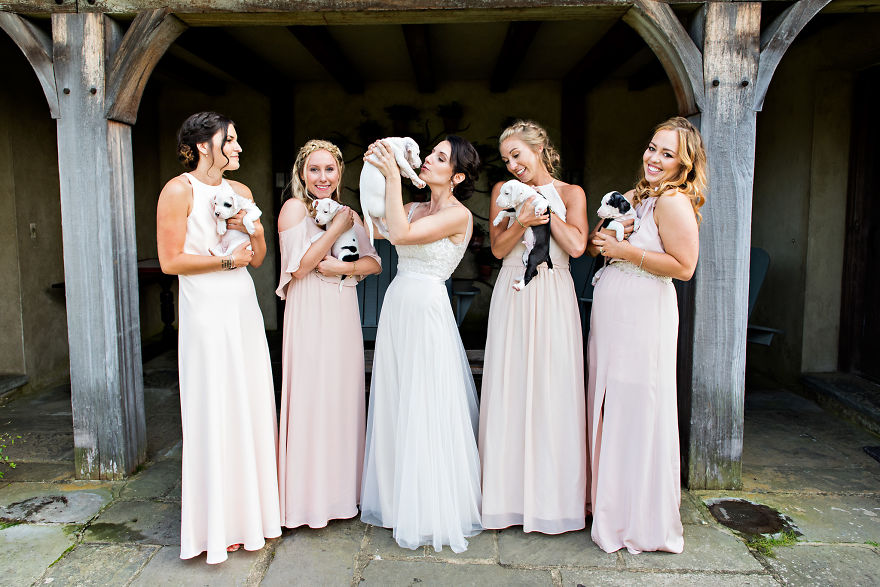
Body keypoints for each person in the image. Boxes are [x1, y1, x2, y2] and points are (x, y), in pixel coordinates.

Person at [156, 111, 281, 564]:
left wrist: (255, 232)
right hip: (205, 309)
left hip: (241, 306)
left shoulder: (241, 191)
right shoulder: (179, 190)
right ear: (203, 145)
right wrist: (226, 262)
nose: (238, 148)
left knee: (248, 401)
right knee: (214, 405)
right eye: (230, 140)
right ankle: (218, 525)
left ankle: (253, 517)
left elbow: (257, 258)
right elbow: (171, 261)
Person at [587, 116, 706, 554]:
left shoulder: (673, 201)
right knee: (613, 406)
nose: (654, 158)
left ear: (683, 164)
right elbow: (609, 243)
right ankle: (612, 506)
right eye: (653, 147)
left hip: (643, 316)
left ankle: (637, 519)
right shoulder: (639, 195)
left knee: (637, 408)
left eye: (667, 153)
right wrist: (605, 242)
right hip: (614, 316)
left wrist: (625, 251)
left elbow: (684, 266)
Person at [359, 136, 482, 553]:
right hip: (398, 304)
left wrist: (395, 177)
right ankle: (398, 500)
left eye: (440, 158)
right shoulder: (413, 206)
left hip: (427, 308)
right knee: (397, 396)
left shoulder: (458, 215)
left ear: (457, 176)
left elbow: (402, 235)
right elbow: (378, 227)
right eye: (431, 153)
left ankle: (430, 507)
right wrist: (375, 171)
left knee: (425, 398)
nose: (428, 159)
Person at [479, 120, 589, 534]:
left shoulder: (571, 194)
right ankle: (505, 499)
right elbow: (497, 248)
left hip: (554, 290)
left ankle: (553, 501)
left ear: (538, 149)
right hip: (513, 291)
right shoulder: (502, 191)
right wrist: (522, 220)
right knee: (510, 384)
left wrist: (544, 208)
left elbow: (576, 246)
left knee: (552, 387)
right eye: (506, 159)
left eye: (517, 155)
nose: (512, 165)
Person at [276, 139, 381, 529]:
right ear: (302, 174)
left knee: (341, 397)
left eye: (330, 169)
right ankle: (306, 503)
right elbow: (300, 267)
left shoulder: (350, 213)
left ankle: (341, 496)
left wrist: (345, 269)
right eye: (314, 169)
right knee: (311, 396)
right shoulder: (294, 209)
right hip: (308, 311)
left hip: (341, 312)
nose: (323, 177)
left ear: (339, 173)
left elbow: (373, 262)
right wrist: (336, 228)